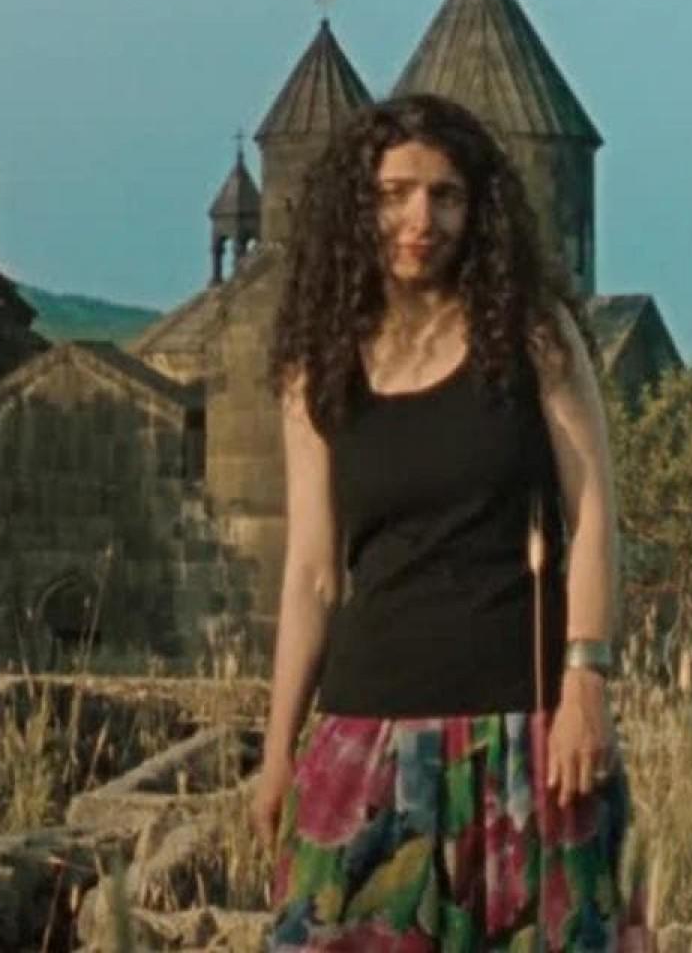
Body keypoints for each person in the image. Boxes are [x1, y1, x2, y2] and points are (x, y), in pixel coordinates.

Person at [247, 95, 638, 950]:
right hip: (367, 732)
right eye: (394, 194)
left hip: (528, 732)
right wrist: (277, 751)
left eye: (444, 195)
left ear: (478, 210)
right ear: (357, 207)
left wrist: (586, 684)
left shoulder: (534, 337)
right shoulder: (318, 365)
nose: (420, 219)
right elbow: (312, 571)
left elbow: (593, 513)